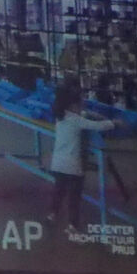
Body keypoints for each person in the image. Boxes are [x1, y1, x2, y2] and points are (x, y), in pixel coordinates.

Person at [48, 79, 117, 234]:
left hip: (58, 164)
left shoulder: (61, 116)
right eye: (81, 104)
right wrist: (114, 122)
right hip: (73, 165)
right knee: (74, 197)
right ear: (74, 106)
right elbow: (97, 126)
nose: (83, 107)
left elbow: (81, 115)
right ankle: (72, 225)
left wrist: (90, 113)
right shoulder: (77, 121)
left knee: (58, 191)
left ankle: (52, 214)